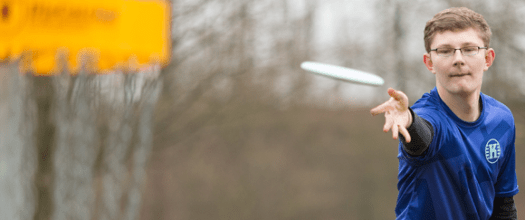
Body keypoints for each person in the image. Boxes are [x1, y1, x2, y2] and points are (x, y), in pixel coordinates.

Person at [370, 7, 519, 220]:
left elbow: (503, 206)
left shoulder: (502, 120)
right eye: (445, 51)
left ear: (488, 58)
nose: (458, 59)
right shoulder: (428, 116)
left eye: (469, 49)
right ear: (430, 62)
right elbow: (423, 137)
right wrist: (410, 121)